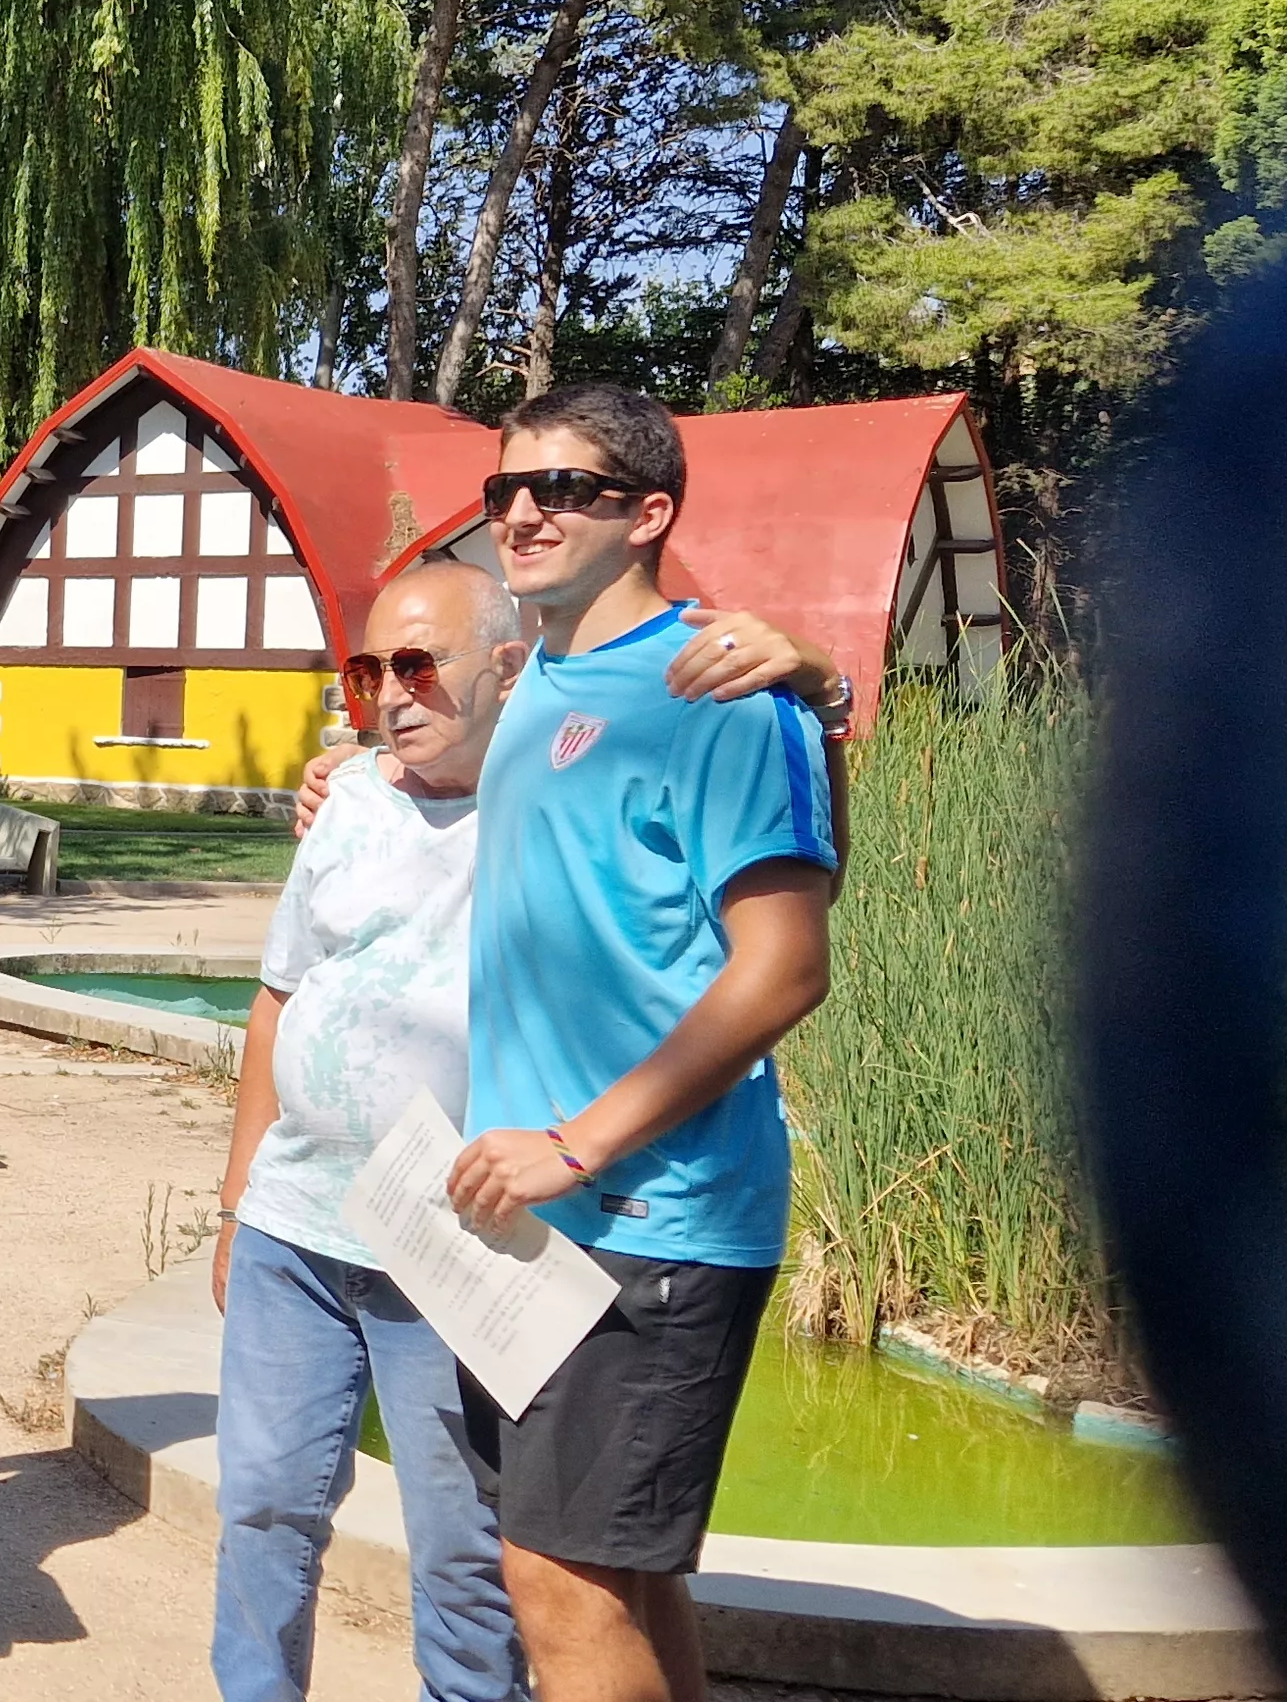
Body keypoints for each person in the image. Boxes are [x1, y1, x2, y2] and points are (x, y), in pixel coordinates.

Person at [440, 382, 838, 1702]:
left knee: (564, 1586)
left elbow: (784, 967)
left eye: (566, 487)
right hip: (530, 1219)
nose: (526, 511)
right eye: (508, 488)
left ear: (650, 512)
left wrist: (578, 1140)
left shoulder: (718, 691)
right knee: (607, 1577)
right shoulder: (539, 678)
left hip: (647, 1211)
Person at [209, 559, 526, 1702]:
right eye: (366, 668)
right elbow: (280, 994)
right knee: (261, 1502)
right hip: (299, 1219)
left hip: (452, 1238)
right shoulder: (343, 800)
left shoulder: (551, 799)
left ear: (503, 666)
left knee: (461, 1546)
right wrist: (237, 1202)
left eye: (415, 664)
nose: (389, 692)